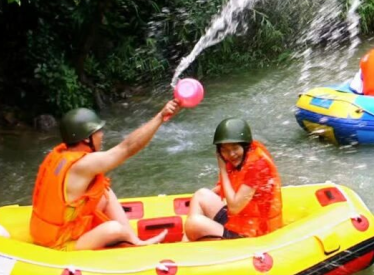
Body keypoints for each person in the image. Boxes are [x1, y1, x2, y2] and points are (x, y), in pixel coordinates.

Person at [30, 102, 180, 250]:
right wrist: (160, 117)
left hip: (47, 231)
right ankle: (132, 241)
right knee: (114, 229)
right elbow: (127, 148)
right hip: (59, 243)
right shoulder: (82, 165)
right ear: (86, 139)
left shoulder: (61, 155)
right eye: (98, 132)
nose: (102, 135)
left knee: (103, 190)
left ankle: (133, 240)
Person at [184, 119, 284, 241]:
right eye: (224, 150)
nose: (231, 154)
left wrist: (223, 169)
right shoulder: (242, 160)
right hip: (241, 222)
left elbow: (234, 208)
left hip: (256, 232)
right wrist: (209, 198)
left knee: (194, 223)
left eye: (235, 148)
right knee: (201, 194)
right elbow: (231, 186)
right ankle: (186, 243)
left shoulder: (257, 166)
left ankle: (194, 245)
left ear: (245, 146)